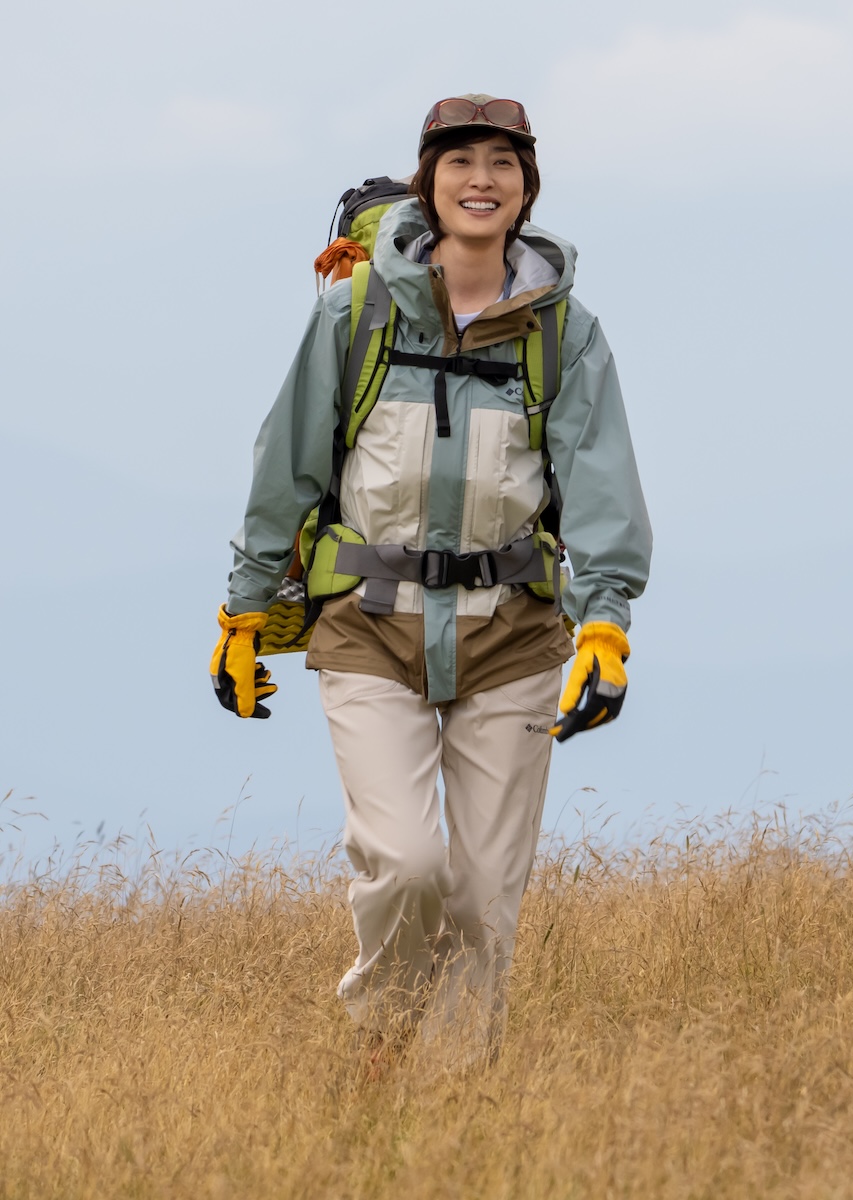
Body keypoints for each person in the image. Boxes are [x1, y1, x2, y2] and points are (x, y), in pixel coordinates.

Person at [210, 95, 651, 1064]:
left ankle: (455, 1109)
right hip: (368, 627)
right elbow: (285, 465)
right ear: (428, 182)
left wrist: (604, 627)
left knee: (485, 897)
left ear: (528, 189)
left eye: (502, 162)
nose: (481, 179)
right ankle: (381, 1041)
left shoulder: (562, 334)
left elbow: (601, 490)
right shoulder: (353, 314)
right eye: (460, 161)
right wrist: (242, 614)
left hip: (514, 634)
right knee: (406, 864)